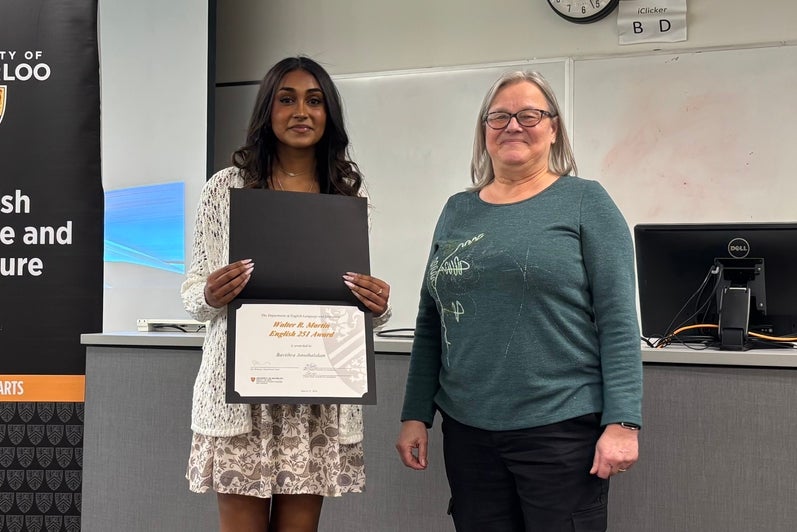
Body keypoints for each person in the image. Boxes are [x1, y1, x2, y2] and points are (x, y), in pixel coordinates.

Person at [395, 70, 643, 532]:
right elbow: (432, 320)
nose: (513, 125)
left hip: (559, 427)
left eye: (529, 115)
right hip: (467, 431)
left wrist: (624, 422)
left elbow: (618, 321)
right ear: (484, 130)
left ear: (553, 129)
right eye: (500, 116)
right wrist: (415, 414)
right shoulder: (457, 209)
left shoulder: (586, 201)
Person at [181, 56, 391, 532]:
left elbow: (349, 302)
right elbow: (193, 293)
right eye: (287, 99)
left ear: (328, 113)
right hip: (241, 395)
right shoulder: (226, 188)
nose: (302, 111)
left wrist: (377, 307)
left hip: (315, 393)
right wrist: (210, 295)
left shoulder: (345, 195)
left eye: (314, 101)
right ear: (267, 111)